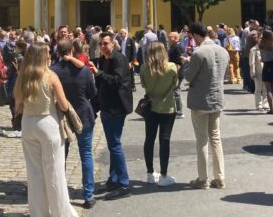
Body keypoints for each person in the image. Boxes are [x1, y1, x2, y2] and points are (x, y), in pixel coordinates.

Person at [14, 43, 78, 217]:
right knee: (54, 171)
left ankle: (39, 213)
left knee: (34, 171)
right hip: (47, 122)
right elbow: (64, 104)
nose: (50, 55)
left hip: (28, 122)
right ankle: (61, 212)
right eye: (48, 53)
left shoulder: (23, 76)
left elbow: (17, 104)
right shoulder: (50, 76)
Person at [52, 40, 98, 209]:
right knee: (86, 154)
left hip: (61, 117)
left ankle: (60, 193)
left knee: (60, 155)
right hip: (83, 114)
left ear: (57, 51)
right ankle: (88, 195)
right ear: (72, 50)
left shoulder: (52, 71)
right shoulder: (83, 70)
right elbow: (92, 92)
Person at [184, 22, 229, 190]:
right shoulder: (223, 51)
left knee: (202, 139)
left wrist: (187, 63)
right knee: (216, 138)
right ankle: (220, 177)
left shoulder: (199, 52)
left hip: (200, 100)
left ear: (196, 35)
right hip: (217, 99)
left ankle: (203, 178)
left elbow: (189, 77)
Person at [93, 32, 133, 200]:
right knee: (112, 144)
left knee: (115, 144)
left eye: (105, 43)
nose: (102, 46)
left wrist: (98, 73)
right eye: (100, 44)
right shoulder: (104, 59)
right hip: (107, 107)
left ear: (113, 43)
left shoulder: (119, 59)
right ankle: (114, 178)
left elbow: (116, 80)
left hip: (116, 108)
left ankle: (124, 183)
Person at [141, 42, 179, 187]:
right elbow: (175, 84)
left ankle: (150, 173)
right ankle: (163, 175)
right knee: (165, 140)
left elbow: (143, 85)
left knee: (149, 139)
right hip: (167, 106)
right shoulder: (171, 67)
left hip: (150, 105)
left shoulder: (144, 68)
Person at [5, 39, 27, 138]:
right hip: (17, 81)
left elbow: (14, 71)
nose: (15, 49)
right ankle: (17, 125)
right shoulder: (22, 57)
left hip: (15, 82)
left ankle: (17, 126)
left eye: (16, 47)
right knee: (15, 104)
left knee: (14, 104)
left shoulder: (19, 58)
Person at [249, 33, 272, 112]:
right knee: (258, 89)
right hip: (258, 72)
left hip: (267, 72)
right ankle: (259, 104)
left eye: (263, 38)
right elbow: (252, 63)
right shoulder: (253, 49)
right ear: (257, 39)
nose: (262, 39)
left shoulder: (267, 48)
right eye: (260, 38)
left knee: (266, 89)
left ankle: (265, 104)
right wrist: (252, 72)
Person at [167, 32, 187, 119]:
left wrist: (175, 74)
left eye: (169, 37)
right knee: (174, 91)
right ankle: (174, 110)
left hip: (177, 73)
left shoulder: (178, 47)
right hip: (173, 72)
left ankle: (179, 112)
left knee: (176, 91)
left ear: (175, 38)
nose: (168, 39)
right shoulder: (172, 46)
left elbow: (181, 62)